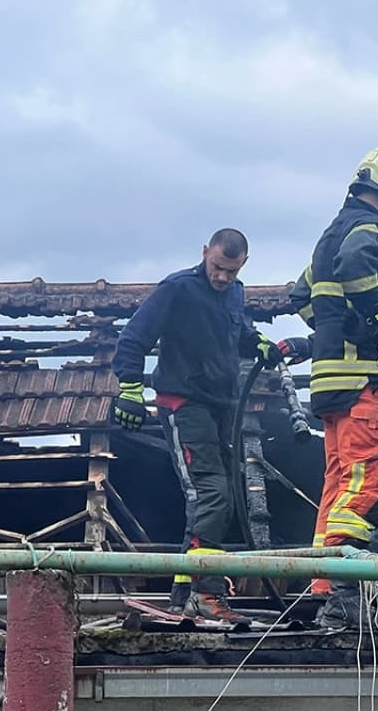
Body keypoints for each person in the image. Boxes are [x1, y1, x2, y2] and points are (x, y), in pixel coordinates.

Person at [111, 227, 277, 625]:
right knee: (211, 493)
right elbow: (133, 337)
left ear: (243, 265)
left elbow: (238, 335)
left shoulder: (235, 294)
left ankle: (184, 595)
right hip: (183, 404)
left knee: (213, 499)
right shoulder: (177, 288)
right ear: (205, 252)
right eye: (217, 267)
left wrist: (258, 343)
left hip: (221, 407)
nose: (222, 277)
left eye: (231, 271)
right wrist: (130, 389)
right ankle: (206, 593)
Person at [279, 148, 378, 608]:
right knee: (369, 484)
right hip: (368, 378)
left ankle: (323, 588)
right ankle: (344, 595)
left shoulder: (331, 234)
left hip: (333, 381)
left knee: (340, 484)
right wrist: (374, 317)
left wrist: (332, 332)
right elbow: (357, 264)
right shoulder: (371, 228)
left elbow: (302, 293)